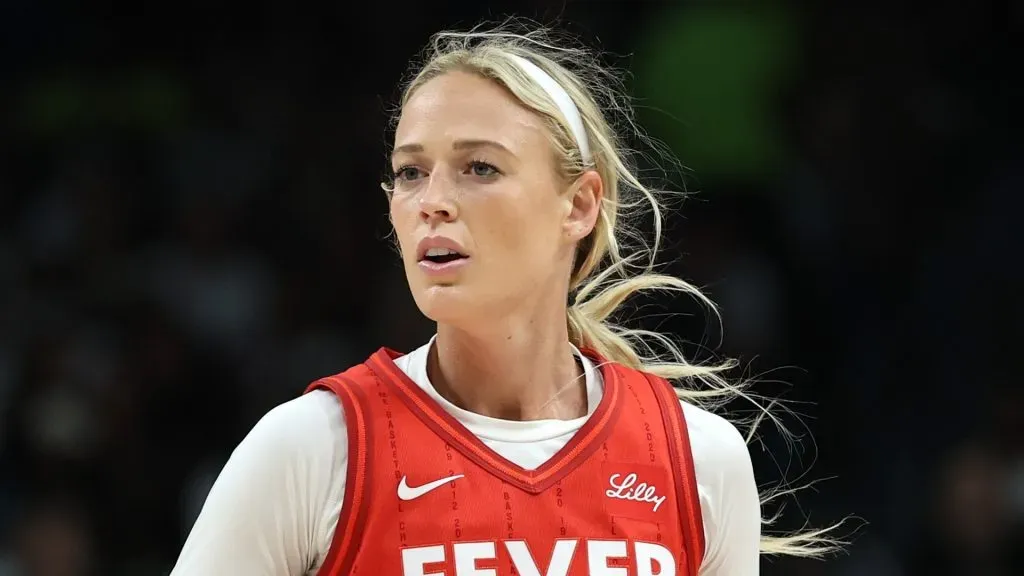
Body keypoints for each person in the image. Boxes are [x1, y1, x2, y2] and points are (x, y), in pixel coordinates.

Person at [170, 20, 837, 576]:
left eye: (479, 167)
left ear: (578, 205)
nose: (432, 202)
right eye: (410, 172)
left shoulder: (698, 460)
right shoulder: (311, 448)